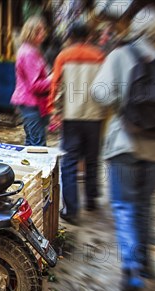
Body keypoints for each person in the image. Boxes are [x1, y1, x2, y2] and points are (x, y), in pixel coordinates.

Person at [91, 12, 155, 291]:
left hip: (125, 142)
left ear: (135, 29)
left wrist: (125, 104)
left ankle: (132, 269)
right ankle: (146, 265)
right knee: (145, 207)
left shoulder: (120, 55)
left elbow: (99, 92)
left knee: (124, 206)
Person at [49, 22, 106, 224]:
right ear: (88, 36)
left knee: (70, 163)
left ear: (71, 36)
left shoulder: (63, 56)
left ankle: (71, 210)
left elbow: (56, 86)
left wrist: (54, 111)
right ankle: (91, 199)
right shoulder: (99, 56)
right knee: (92, 158)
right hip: (94, 116)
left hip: (71, 116)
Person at [11, 16, 52, 146]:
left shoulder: (32, 50)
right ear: (31, 33)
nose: (44, 34)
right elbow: (36, 85)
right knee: (38, 145)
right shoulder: (29, 53)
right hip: (31, 103)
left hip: (32, 103)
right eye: (40, 31)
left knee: (32, 141)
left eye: (43, 30)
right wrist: (53, 78)